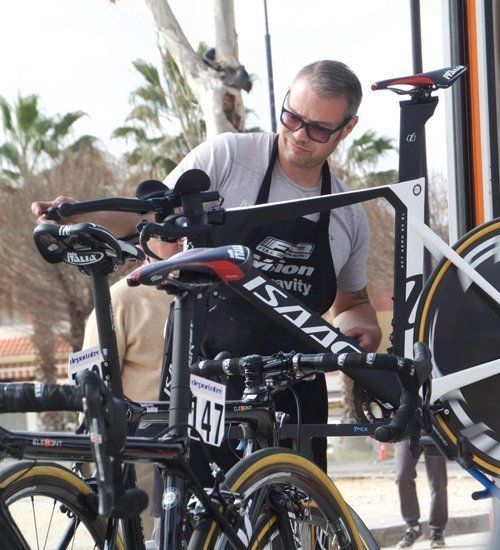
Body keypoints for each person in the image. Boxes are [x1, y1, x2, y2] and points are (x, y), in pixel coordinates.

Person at [33, 60, 382, 471]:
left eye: (319, 129)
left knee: (298, 518)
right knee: (200, 513)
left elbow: (350, 301)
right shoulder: (229, 157)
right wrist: (77, 215)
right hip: (205, 378)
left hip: (295, 391)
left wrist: (363, 323)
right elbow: (148, 215)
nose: (299, 135)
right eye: (292, 117)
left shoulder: (347, 212)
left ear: (348, 127)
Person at [81, 238, 179, 537]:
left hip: (202, 446)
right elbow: (90, 381)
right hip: (140, 455)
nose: (180, 242)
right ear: (144, 239)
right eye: (168, 236)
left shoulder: (215, 292)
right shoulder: (121, 298)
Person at [395, 439, 448, 548]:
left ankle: (437, 531)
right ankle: (413, 527)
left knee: (438, 482)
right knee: (402, 477)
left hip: (434, 431)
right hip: (407, 431)